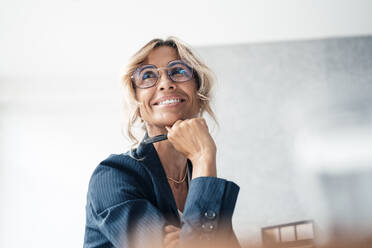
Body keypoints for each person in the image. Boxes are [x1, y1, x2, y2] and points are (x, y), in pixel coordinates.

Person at [83, 37, 240, 248]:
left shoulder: (200, 178)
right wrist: (203, 156)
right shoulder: (113, 176)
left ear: (199, 93)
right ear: (137, 103)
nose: (166, 83)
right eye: (147, 76)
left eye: (178, 71)